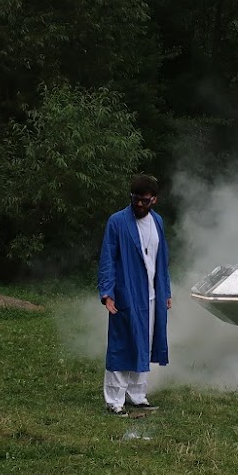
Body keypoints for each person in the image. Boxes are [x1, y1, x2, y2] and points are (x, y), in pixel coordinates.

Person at [97, 174, 171, 416]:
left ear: (154, 200)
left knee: (144, 345)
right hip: (126, 293)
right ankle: (114, 401)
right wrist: (107, 293)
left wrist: (165, 291)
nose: (139, 204)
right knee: (122, 345)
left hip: (152, 296)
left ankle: (137, 396)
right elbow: (108, 259)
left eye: (144, 201)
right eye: (135, 199)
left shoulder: (157, 221)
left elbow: (162, 259)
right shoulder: (117, 221)